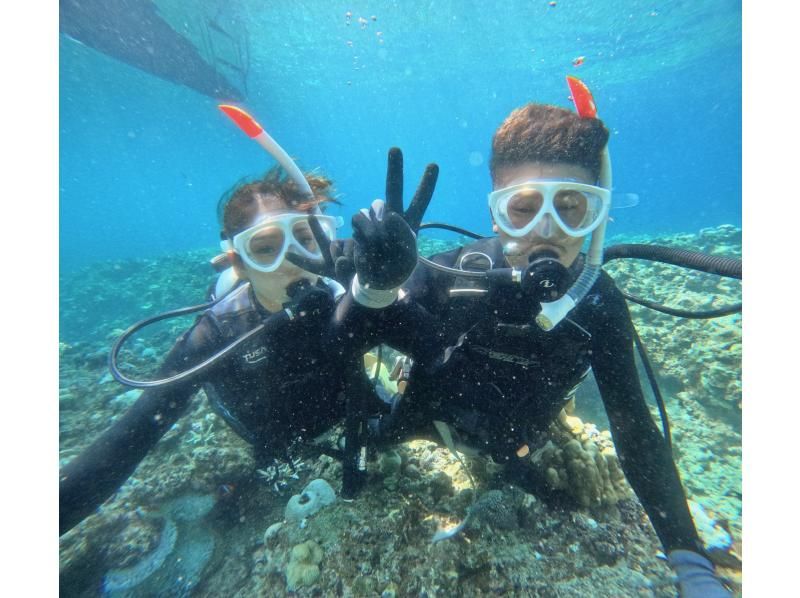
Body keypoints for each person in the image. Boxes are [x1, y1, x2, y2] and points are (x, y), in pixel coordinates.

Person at [332, 90, 731, 596]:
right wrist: (373, 288)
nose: (549, 231)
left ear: (599, 217)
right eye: (523, 209)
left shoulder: (598, 304)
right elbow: (343, 345)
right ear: (495, 215)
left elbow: (635, 428)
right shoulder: (453, 276)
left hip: (516, 442)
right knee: (376, 439)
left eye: (573, 209)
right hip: (426, 416)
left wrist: (689, 560)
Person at [59, 166, 385, 536]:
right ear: (238, 262)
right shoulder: (217, 334)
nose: (291, 262)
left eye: (306, 240)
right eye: (264, 249)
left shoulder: (351, 295)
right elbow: (129, 439)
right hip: (268, 434)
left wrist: (389, 281)